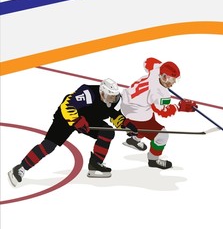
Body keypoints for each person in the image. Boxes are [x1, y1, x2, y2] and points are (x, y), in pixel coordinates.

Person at [7, 78, 138, 187]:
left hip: (87, 119)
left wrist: (126, 125)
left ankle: (95, 164)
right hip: (66, 118)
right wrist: (75, 120)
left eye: (114, 97)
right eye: (110, 96)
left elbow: (114, 115)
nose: (112, 99)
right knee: (48, 145)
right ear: (102, 93)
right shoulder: (88, 93)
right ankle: (20, 168)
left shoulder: (113, 101)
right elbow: (67, 105)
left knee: (107, 132)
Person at [120, 57, 197, 170]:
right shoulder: (159, 94)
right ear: (164, 77)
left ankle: (134, 140)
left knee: (150, 120)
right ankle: (153, 159)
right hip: (135, 112)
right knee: (162, 136)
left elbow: (148, 61)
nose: (174, 82)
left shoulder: (156, 69)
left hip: (128, 101)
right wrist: (180, 107)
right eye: (172, 79)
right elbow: (164, 112)